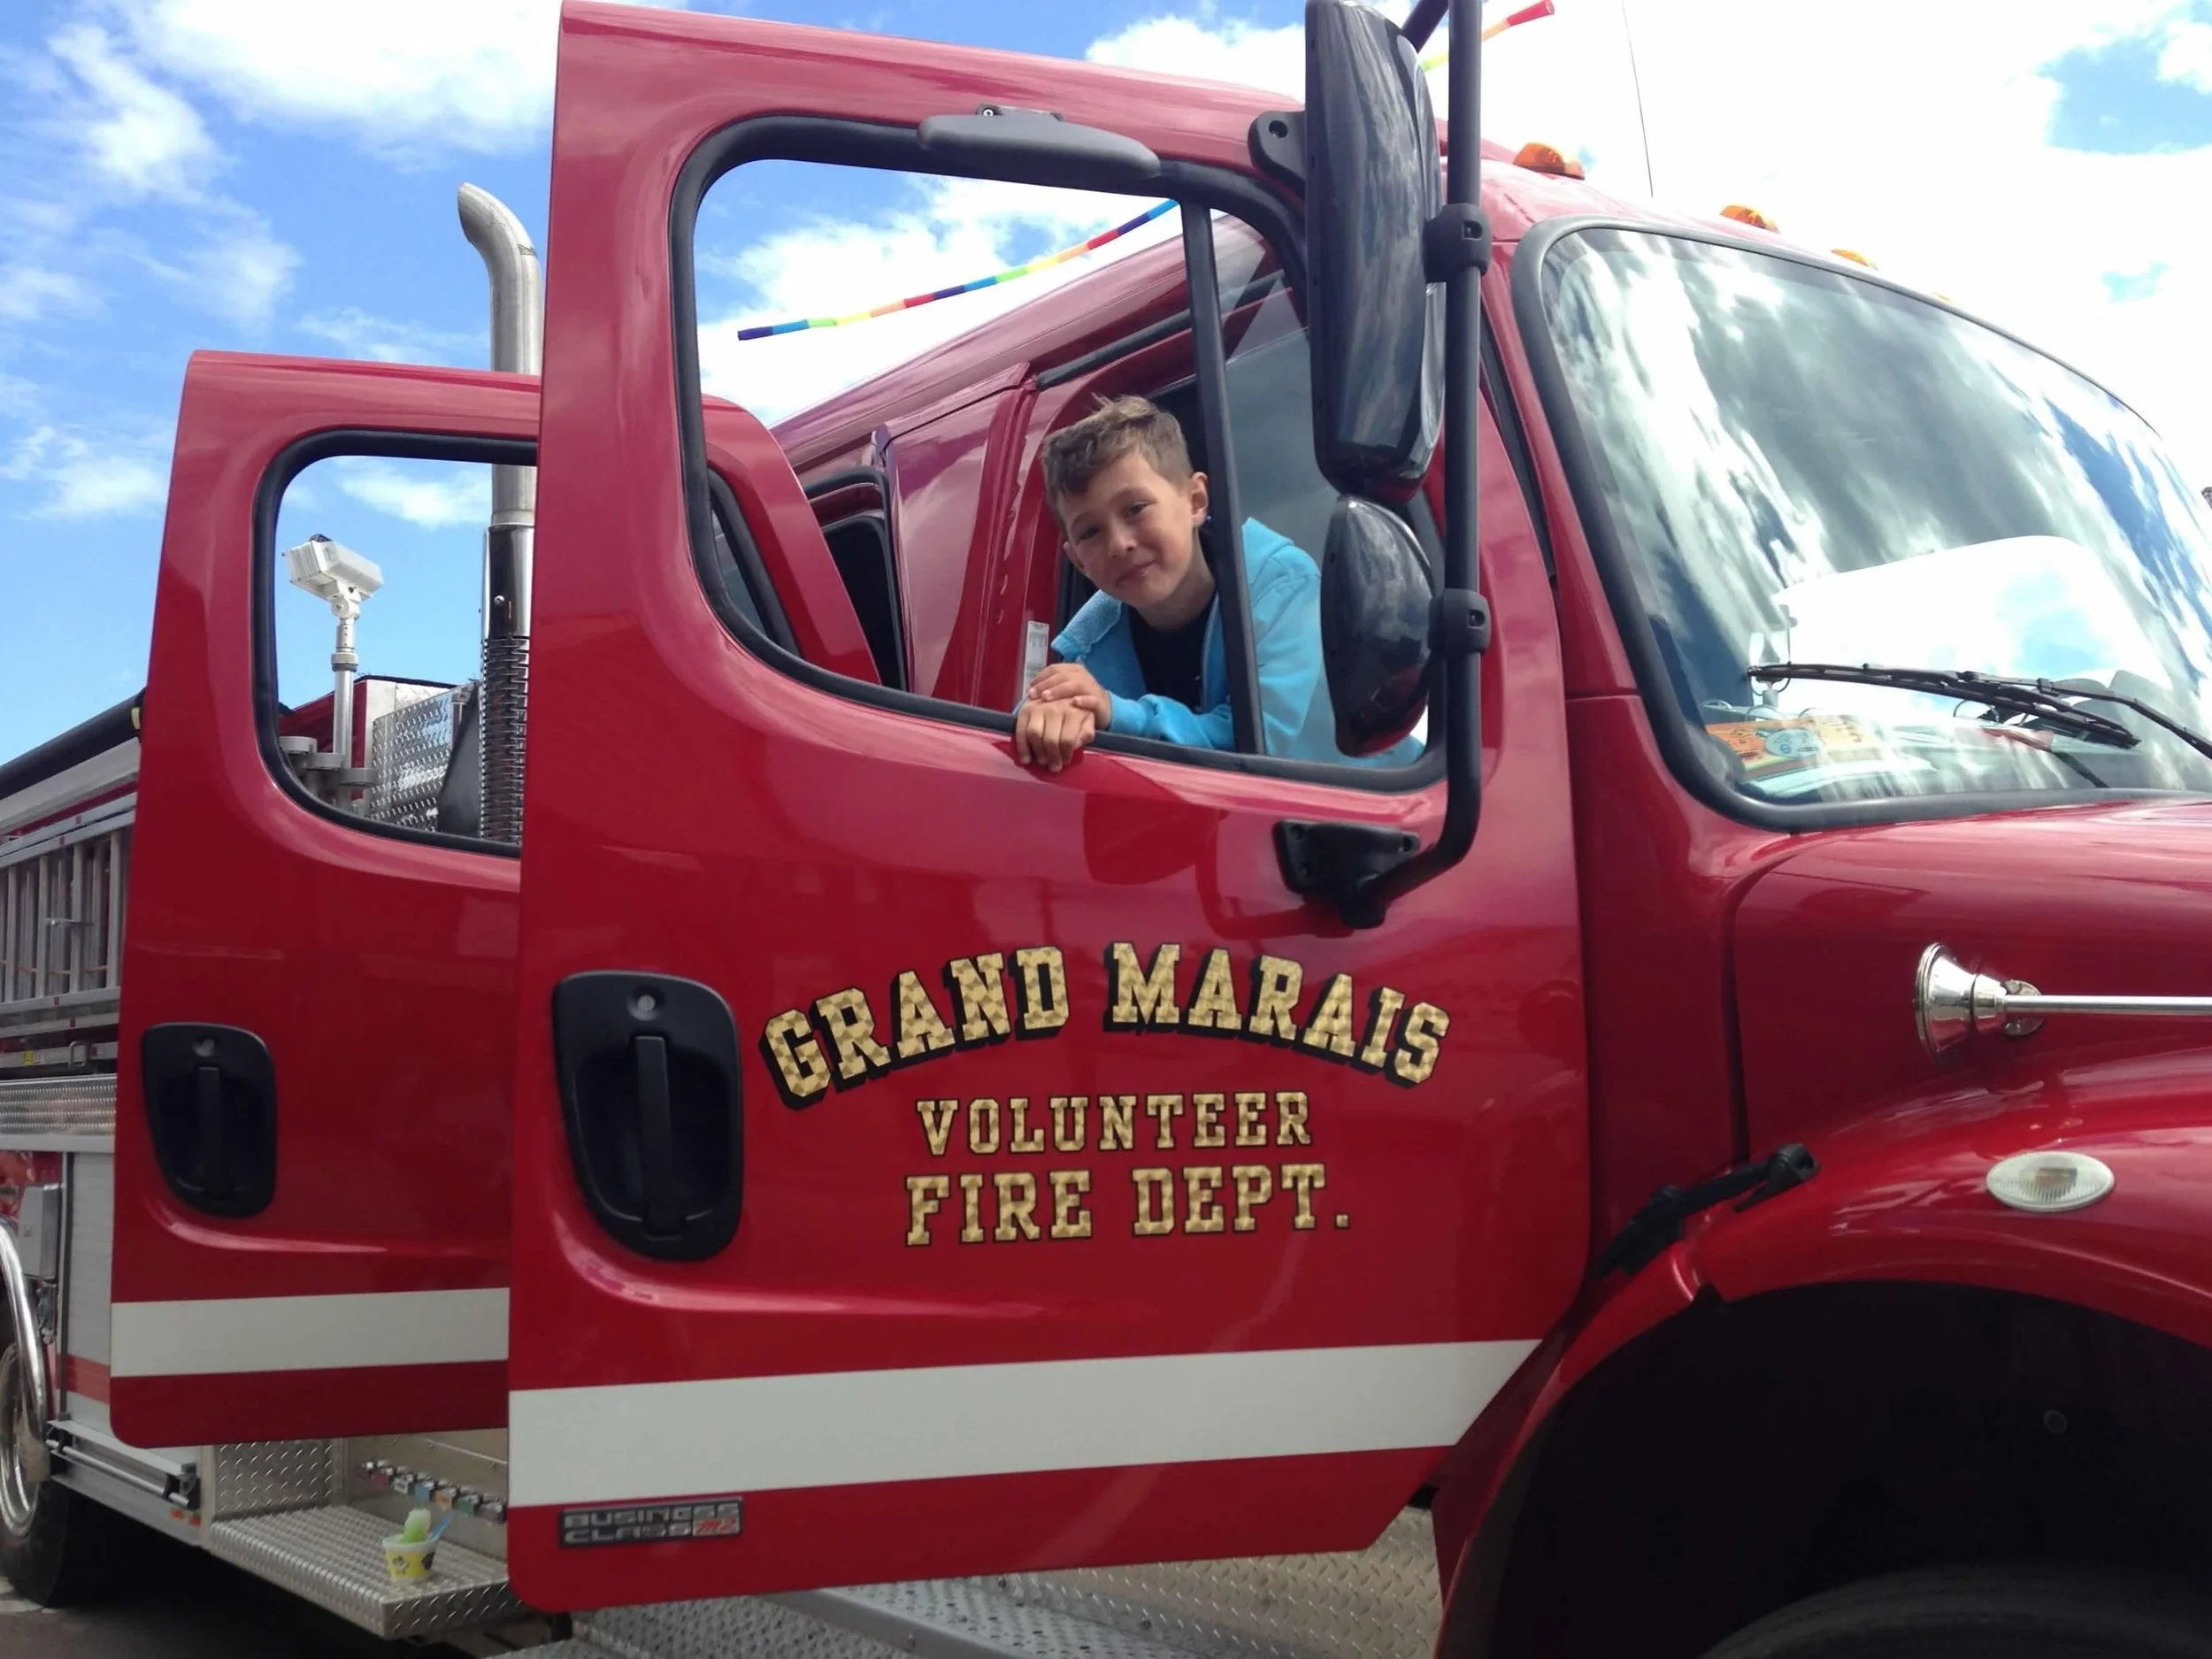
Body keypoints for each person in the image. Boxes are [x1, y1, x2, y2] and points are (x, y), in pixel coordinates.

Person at [1015, 394, 1356, 772]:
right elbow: (1036, 719)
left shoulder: (1280, 585)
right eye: (1090, 531)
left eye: (1135, 509)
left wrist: (1116, 713)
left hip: (1360, 811)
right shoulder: (1088, 644)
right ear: (1077, 560)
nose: (1119, 544)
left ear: (1195, 501)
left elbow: (1258, 744)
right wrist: (1046, 715)